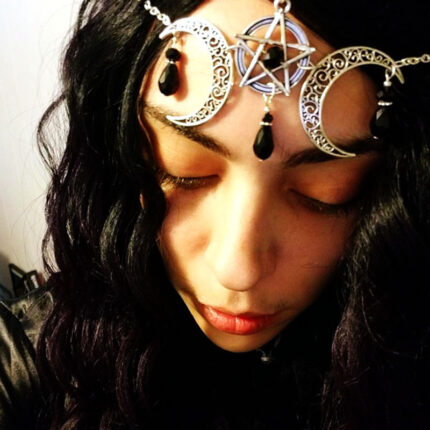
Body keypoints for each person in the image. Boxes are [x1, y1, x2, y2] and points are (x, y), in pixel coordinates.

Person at [1, 0, 429, 428]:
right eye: (183, 172)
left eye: (325, 193)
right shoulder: (27, 359)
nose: (237, 270)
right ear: (122, 149)